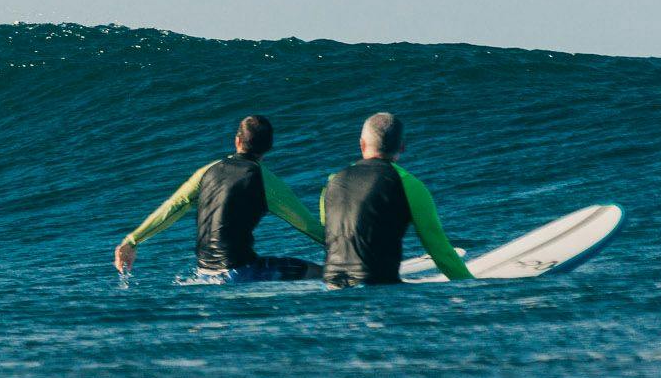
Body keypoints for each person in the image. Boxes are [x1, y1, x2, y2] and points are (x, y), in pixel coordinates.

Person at [114, 114, 326, 280]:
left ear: (237, 141)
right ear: (269, 147)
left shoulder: (207, 171)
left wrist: (132, 241)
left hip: (204, 272)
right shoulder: (266, 181)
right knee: (321, 272)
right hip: (242, 271)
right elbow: (306, 226)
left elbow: (173, 207)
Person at [317, 112, 471, 286]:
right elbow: (439, 250)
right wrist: (473, 288)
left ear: (362, 144)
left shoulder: (332, 182)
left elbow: (329, 232)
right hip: (379, 292)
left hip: (332, 289)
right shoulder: (408, 184)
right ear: (402, 147)